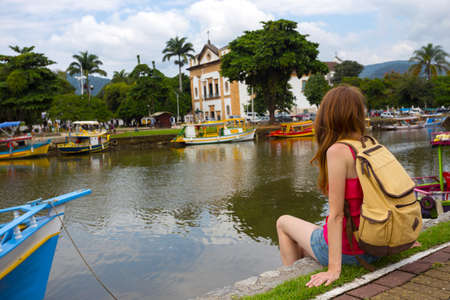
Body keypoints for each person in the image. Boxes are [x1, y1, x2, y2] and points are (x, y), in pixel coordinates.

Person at [276, 85, 379, 288]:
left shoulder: (338, 151)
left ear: (327, 116)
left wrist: (334, 269)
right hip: (376, 244)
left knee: (283, 222)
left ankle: (291, 279)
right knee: (308, 237)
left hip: (353, 250)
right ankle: (303, 264)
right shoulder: (370, 143)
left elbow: (337, 215)